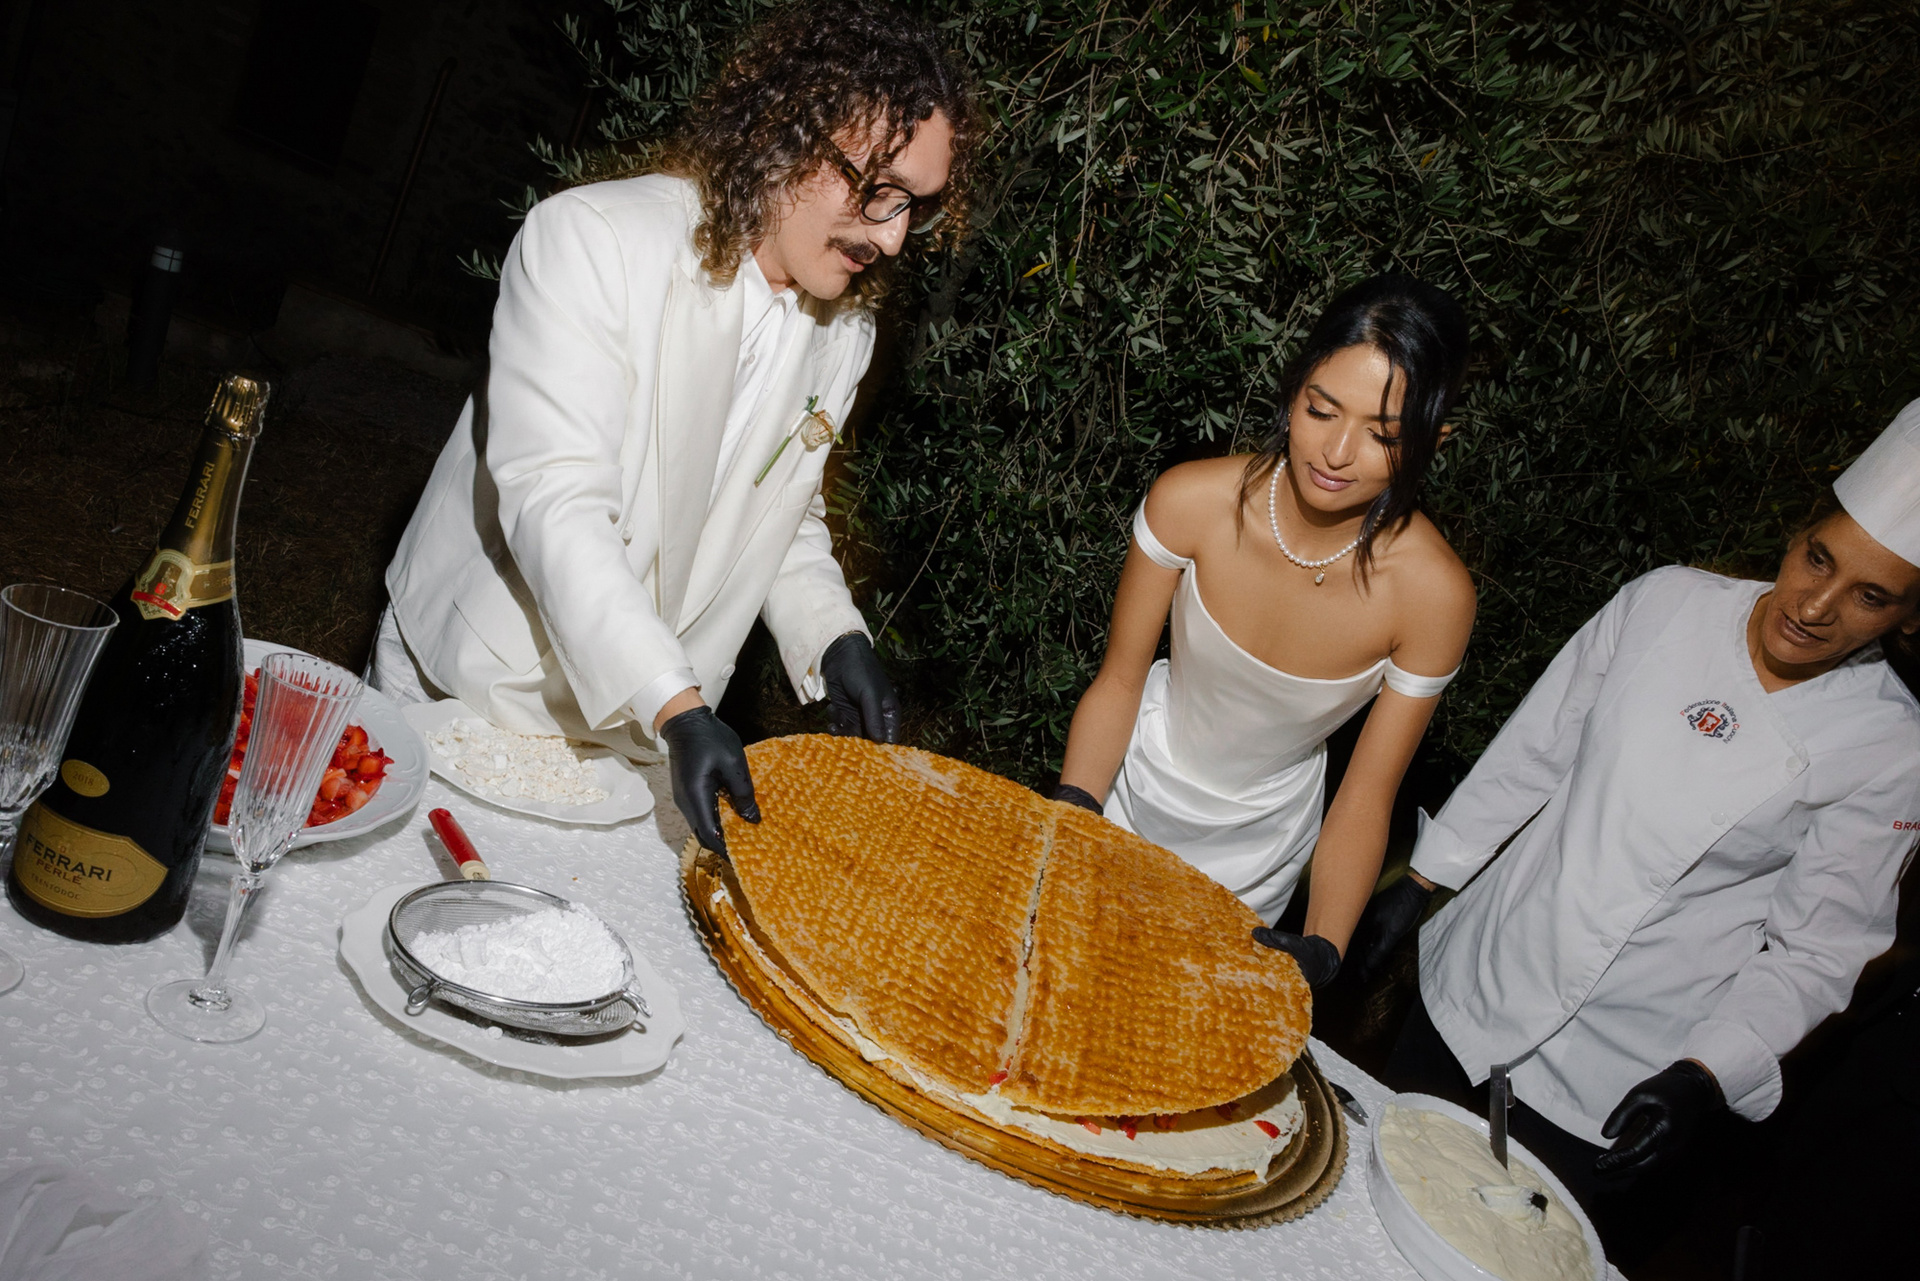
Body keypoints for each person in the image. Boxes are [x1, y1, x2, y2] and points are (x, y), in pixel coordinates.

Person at [373, 2, 977, 853]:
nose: (895, 235)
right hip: (479, 687)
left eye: (916, 206)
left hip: (646, 731)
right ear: (790, 131)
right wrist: (676, 702)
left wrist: (831, 632)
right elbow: (554, 500)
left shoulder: (845, 331)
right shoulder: (594, 241)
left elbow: (780, 506)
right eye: (879, 190)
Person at [1366, 401, 1920, 1263]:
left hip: (1617, 1072)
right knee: (1364, 1215)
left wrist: (1708, 1072)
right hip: (1476, 987)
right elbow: (1537, 748)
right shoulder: (1668, 602)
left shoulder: (1890, 744)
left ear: (1906, 620)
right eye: (1819, 558)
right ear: (1799, 532)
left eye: (1870, 596)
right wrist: (1424, 878)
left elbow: (1816, 950)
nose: (1817, 605)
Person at [1052, 275, 1477, 989]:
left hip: (1260, 855)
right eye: (1321, 410)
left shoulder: (1434, 597)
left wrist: (1324, 945)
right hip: (1126, 787)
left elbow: (1365, 796)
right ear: (1294, 387)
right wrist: (1073, 809)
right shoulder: (1190, 500)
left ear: (1433, 440)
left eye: (1382, 435)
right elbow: (1120, 680)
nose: (1336, 451)